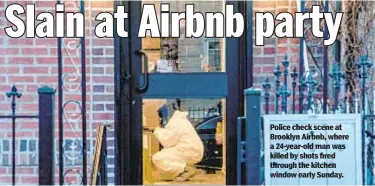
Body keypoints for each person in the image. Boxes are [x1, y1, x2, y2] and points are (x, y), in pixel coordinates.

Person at [148, 110, 204, 182]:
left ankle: (187, 169)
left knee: (157, 158)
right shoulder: (179, 121)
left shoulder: (176, 123)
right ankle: (184, 172)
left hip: (188, 151)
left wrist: (156, 130)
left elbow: (168, 141)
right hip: (190, 150)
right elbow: (171, 136)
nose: (160, 119)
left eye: (160, 117)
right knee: (164, 156)